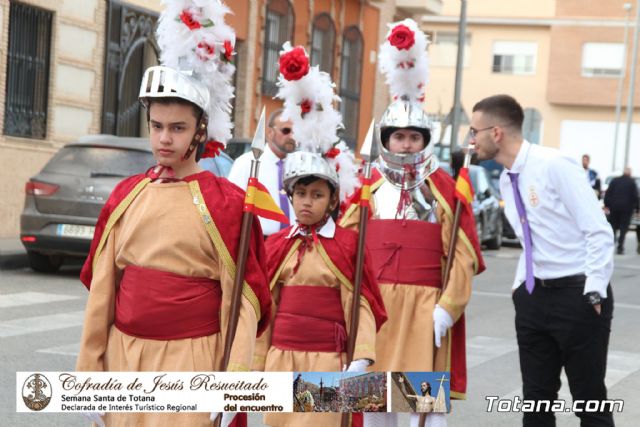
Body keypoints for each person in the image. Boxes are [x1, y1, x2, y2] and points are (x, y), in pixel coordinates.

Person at [75, 4, 271, 426]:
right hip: (125, 358)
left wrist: (232, 385)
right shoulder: (127, 195)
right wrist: (90, 374)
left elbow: (244, 302)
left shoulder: (227, 202)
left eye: (177, 128)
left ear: (200, 130)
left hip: (192, 361)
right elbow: (102, 295)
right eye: (157, 125)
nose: (164, 138)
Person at [339, 19, 484, 427]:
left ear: (425, 140)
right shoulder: (366, 188)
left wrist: (447, 307)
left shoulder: (443, 188)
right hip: (377, 309)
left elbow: (462, 257)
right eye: (397, 136)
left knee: (420, 406)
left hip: (425, 310)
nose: (405, 143)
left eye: (413, 137)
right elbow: (346, 246)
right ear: (385, 140)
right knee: (376, 406)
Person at [253, 43, 387, 427]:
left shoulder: (347, 246)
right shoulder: (275, 245)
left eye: (317, 195)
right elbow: (263, 308)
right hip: (281, 357)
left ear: (332, 201)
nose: (307, 202)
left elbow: (360, 304)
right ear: (289, 195)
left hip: (328, 360)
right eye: (300, 193)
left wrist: (360, 355)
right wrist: (255, 361)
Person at [471, 94, 614, 426]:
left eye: (474, 132)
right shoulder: (507, 179)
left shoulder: (554, 164)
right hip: (535, 299)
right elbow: (531, 239)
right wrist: (521, 286)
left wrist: (594, 291)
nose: (470, 140)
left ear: (496, 133)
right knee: (535, 403)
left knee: (590, 403)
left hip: (578, 297)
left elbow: (598, 231)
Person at [227, 109, 296, 236]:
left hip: (293, 244)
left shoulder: (299, 164)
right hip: (260, 243)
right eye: (286, 131)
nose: (291, 136)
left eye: (294, 131)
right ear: (270, 132)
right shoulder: (246, 163)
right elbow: (230, 207)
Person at [604, 167, 639, 254]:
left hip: (614, 208)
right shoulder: (632, 182)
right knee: (623, 228)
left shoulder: (615, 181)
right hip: (626, 210)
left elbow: (608, 193)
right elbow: (636, 196)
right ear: (630, 173)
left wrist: (607, 205)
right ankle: (620, 247)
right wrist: (637, 208)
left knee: (613, 226)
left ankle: (612, 243)